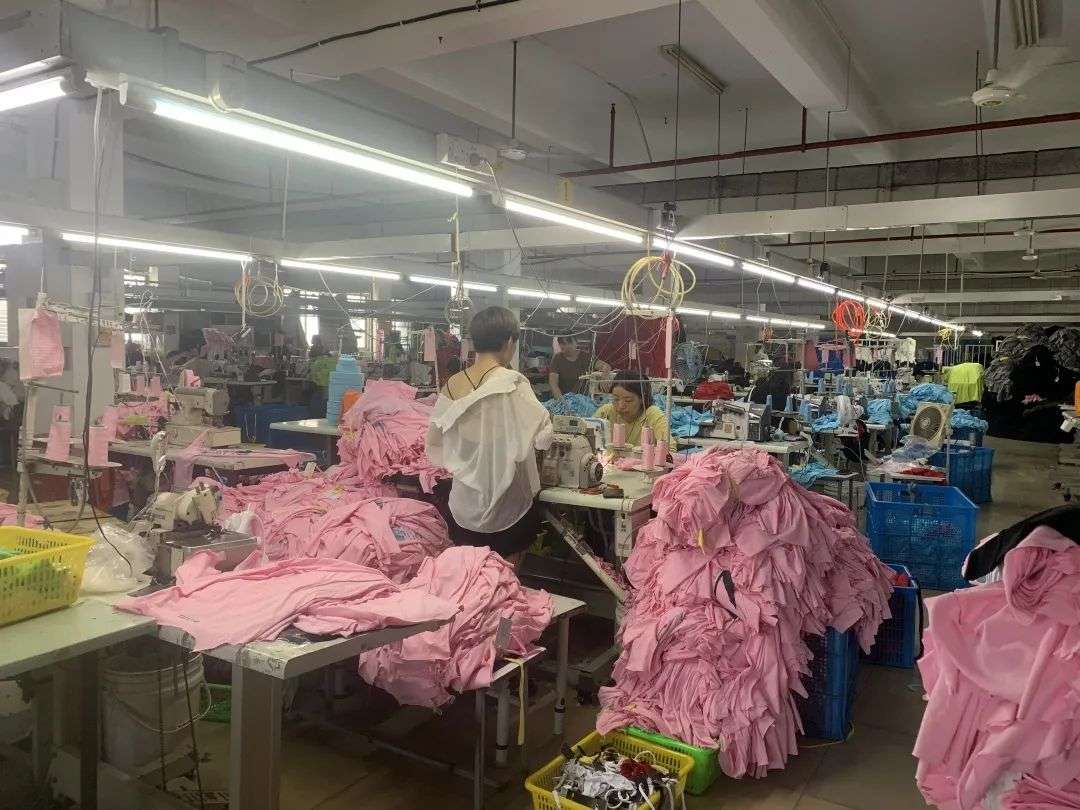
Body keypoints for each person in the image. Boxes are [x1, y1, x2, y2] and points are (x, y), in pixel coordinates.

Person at [426, 306, 553, 561]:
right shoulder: (513, 383)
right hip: (508, 504)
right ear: (509, 342)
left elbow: (434, 440)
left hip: (464, 505)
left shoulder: (452, 384)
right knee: (506, 577)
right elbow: (543, 438)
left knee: (473, 574)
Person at [593, 369, 676, 450]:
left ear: (642, 398)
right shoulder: (606, 412)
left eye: (628, 400)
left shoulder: (652, 415)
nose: (620, 406)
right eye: (616, 399)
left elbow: (670, 449)